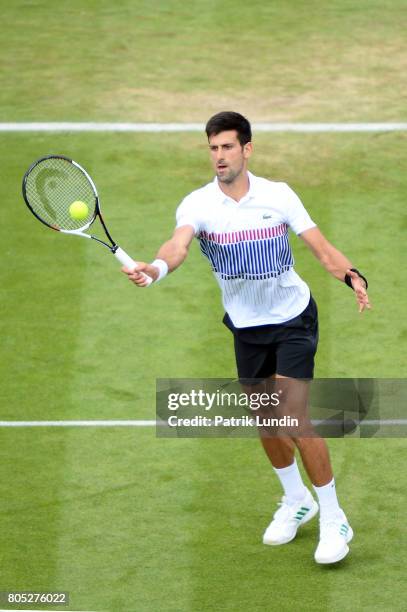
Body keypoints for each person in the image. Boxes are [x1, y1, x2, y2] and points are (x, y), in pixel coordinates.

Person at [122, 111, 370, 565]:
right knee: (266, 419)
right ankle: (296, 500)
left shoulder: (278, 196)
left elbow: (319, 246)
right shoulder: (197, 205)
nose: (219, 156)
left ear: (246, 149)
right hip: (246, 326)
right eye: (213, 148)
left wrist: (351, 275)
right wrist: (155, 270)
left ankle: (334, 517)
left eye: (227, 147)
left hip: (294, 318)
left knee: (293, 416)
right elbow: (176, 246)